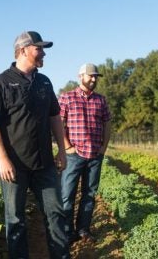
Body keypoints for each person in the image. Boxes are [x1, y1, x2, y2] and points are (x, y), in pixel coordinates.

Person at [0, 31, 70, 259]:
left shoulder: (44, 81)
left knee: (56, 213)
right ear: (23, 50)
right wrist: (3, 158)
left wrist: (61, 149)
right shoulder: (1, 83)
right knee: (15, 220)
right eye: (39, 48)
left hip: (44, 163)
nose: (43, 53)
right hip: (14, 166)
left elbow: (54, 117)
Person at [58, 63, 111, 244]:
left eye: (96, 76)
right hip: (74, 155)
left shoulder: (101, 100)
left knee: (89, 194)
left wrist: (103, 148)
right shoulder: (67, 98)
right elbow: (59, 124)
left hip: (95, 155)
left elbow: (107, 124)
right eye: (91, 76)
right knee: (67, 195)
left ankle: (83, 230)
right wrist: (67, 147)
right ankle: (66, 232)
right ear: (81, 76)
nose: (94, 79)